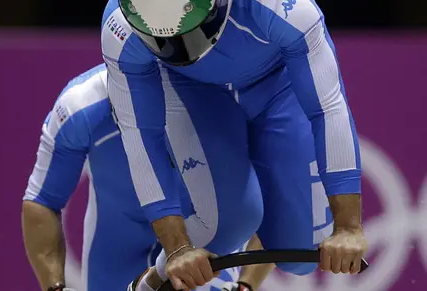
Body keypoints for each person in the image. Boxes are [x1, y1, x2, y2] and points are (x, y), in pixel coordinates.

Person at [101, 0, 368, 290]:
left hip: (278, 85)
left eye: (190, 35)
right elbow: (141, 136)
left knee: (303, 251)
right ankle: (151, 283)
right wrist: (177, 248)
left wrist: (349, 228)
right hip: (189, 89)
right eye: (162, 42)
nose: (181, 49)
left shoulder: (284, 8)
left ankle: (244, 284)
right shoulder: (119, 28)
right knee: (220, 227)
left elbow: (327, 108)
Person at [21, 64, 333, 291]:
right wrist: (55, 288)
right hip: (115, 245)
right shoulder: (80, 107)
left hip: (201, 240)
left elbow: (274, 199)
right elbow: (42, 201)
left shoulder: (220, 101)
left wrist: (246, 285)